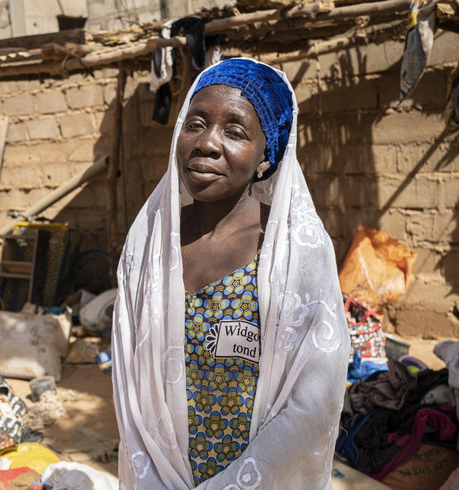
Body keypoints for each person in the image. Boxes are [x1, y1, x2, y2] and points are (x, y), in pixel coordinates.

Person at [111, 58, 350, 490]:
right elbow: (130, 387)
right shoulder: (149, 245)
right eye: (195, 124)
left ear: (266, 157)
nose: (207, 143)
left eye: (235, 132)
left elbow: (312, 405)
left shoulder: (295, 253)